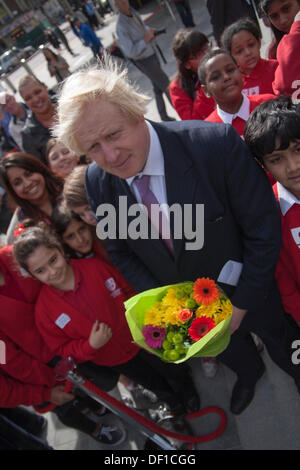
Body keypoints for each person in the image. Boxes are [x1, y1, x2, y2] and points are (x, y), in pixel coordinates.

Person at [53, 62, 300, 415]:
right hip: (192, 313)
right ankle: (249, 373)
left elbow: (263, 230)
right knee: (235, 355)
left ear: (137, 113)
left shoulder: (214, 144)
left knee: (284, 346)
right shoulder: (97, 181)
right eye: (93, 147)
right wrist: (169, 306)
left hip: (255, 294)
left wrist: (241, 306)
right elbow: (121, 250)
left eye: (113, 135)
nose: (109, 156)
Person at [13, 224, 200, 433]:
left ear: (60, 248)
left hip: (142, 337)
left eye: (53, 259)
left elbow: (129, 292)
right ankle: (173, 403)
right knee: (150, 380)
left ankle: (187, 388)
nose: (52, 271)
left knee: (170, 366)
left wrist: (146, 326)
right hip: (115, 358)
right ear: (30, 274)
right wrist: (89, 346)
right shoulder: (44, 312)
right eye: (40, 270)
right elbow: (62, 349)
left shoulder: (95, 268)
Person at [0, 243, 126, 446]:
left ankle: (99, 407)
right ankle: (94, 429)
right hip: (39, 370)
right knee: (64, 404)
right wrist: (46, 390)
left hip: (67, 341)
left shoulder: (14, 256)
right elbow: (10, 361)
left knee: (89, 386)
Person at [244, 96, 300, 325]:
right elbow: (285, 281)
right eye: (277, 159)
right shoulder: (269, 214)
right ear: (262, 165)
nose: (293, 166)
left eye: (298, 149)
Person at [115, 0, 175, 122]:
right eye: (120, 2)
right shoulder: (120, 26)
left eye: (124, 0)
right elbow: (130, 51)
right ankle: (183, 111)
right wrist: (145, 40)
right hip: (144, 59)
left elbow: (143, 26)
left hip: (151, 52)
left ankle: (163, 116)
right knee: (166, 85)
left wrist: (151, 32)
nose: (124, 3)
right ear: (116, 5)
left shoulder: (133, 12)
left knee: (157, 87)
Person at [200, 49, 275, 137]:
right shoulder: (208, 131)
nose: (226, 77)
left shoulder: (269, 104)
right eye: (216, 77)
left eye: (230, 70)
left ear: (240, 72)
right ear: (206, 91)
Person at [221, 17, 278, 96]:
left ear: (259, 42)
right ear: (231, 56)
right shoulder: (231, 81)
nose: (248, 53)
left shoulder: (275, 68)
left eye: (251, 45)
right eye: (239, 51)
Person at [170, 28, 215, 120]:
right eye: (199, 54)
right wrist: (206, 86)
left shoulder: (224, 62)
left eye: (206, 47)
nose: (207, 54)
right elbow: (192, 122)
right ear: (187, 64)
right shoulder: (178, 88)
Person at [260, 0, 300, 96]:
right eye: (274, 16)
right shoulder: (274, 50)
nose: (283, 20)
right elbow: (283, 86)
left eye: (286, 9)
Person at [18, 75, 57, 163]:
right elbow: (42, 169)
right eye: (28, 98)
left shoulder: (68, 105)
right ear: (25, 103)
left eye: (37, 92)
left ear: (45, 87)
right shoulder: (28, 135)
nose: (35, 99)